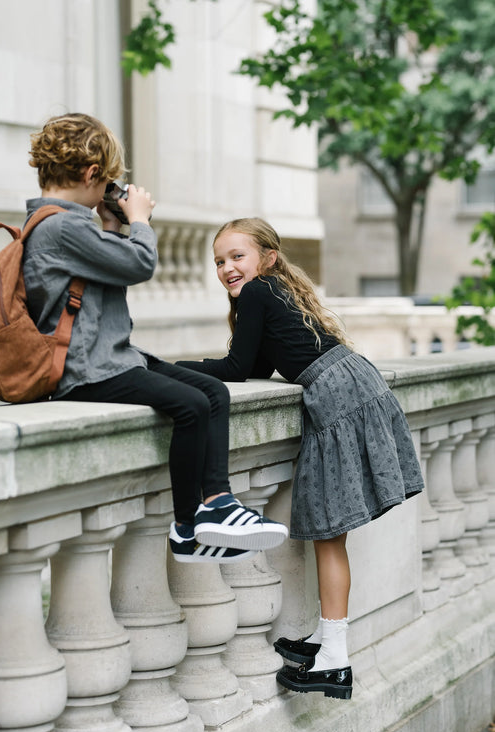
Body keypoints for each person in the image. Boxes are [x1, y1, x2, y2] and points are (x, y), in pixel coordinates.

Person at [176, 217, 424, 698]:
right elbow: (256, 366)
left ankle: (334, 659)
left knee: (328, 534)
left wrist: (162, 369)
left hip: (338, 397)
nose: (227, 268)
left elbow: (232, 369)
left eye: (236, 257)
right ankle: (325, 642)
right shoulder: (273, 292)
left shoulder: (256, 293)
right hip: (353, 382)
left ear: (267, 258)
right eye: (219, 262)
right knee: (329, 534)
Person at [23, 115, 288, 564]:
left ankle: (218, 503)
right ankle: (187, 527)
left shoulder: (70, 226)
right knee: (191, 405)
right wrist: (140, 220)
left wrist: (111, 225)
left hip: (113, 357)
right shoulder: (60, 226)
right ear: (92, 175)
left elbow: (107, 276)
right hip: (87, 369)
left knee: (213, 392)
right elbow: (140, 265)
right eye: (107, 181)